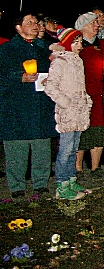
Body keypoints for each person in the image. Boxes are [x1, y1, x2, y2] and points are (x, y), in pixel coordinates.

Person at [0, 13, 57, 197]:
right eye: (29, 22)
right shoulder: (7, 49)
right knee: (17, 147)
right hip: (16, 106)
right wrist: (20, 77)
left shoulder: (44, 49)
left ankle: (41, 182)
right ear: (18, 27)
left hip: (40, 105)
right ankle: (17, 186)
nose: (35, 25)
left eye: (36, 22)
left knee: (41, 146)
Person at [45, 28, 92, 200]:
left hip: (78, 112)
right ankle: (61, 185)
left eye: (80, 42)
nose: (80, 45)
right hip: (67, 112)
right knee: (65, 150)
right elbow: (51, 87)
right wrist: (65, 102)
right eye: (75, 42)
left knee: (74, 149)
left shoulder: (77, 61)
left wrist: (86, 100)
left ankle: (71, 180)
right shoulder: (60, 62)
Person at [75, 12, 104, 174]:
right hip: (82, 94)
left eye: (97, 23)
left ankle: (95, 166)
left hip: (101, 93)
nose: (97, 26)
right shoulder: (74, 47)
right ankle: (77, 166)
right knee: (82, 131)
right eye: (93, 23)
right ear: (83, 27)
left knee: (100, 129)